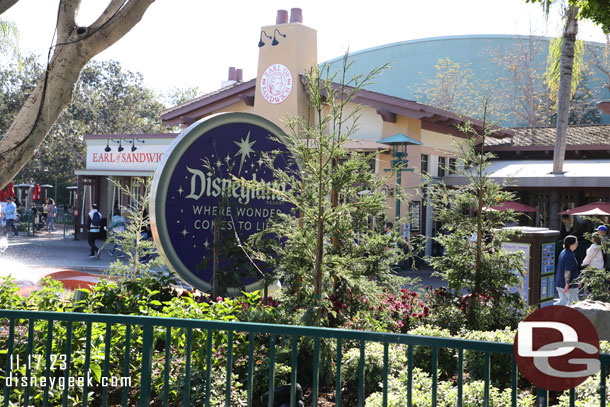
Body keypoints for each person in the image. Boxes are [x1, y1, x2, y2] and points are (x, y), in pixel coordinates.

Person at [555, 235, 580, 306]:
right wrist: (567, 285)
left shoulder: (563, 252)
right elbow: (568, 271)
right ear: (571, 244)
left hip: (560, 282)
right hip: (569, 285)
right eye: (576, 243)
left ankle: (547, 311)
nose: (577, 244)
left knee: (563, 302)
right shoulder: (570, 255)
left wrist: (577, 281)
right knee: (574, 304)